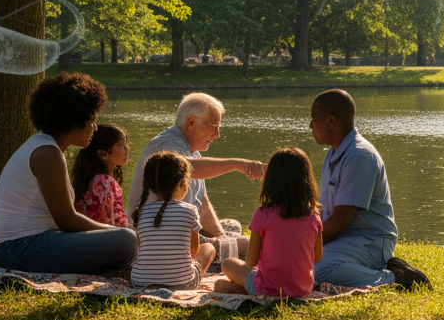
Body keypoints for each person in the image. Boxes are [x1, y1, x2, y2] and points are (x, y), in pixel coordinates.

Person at [0, 73, 137, 275]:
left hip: (25, 244)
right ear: (73, 121)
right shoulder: (47, 154)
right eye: (91, 120)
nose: (94, 128)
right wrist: (119, 233)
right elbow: (67, 220)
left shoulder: (46, 147)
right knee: (127, 241)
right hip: (16, 249)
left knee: (125, 239)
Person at [309, 89, 430, 289]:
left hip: (369, 241)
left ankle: (397, 278)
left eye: (314, 119)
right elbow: (324, 211)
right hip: (345, 239)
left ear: (331, 121)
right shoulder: (333, 153)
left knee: (319, 269)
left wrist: (303, 244)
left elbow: (339, 223)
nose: (311, 126)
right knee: (301, 265)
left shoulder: (359, 156)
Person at [127, 93, 264, 264]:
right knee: (247, 245)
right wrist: (237, 164)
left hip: (182, 230)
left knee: (233, 226)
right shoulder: (167, 146)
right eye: (213, 126)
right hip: (160, 238)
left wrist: (221, 236)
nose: (218, 134)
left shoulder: (191, 150)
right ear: (191, 122)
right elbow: (186, 167)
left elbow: (202, 203)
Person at [217, 147, 324, 298]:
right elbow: (317, 257)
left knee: (228, 263)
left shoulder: (263, 214)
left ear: (271, 180)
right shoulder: (313, 216)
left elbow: (250, 261)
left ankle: (241, 288)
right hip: (302, 290)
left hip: (268, 289)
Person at [130, 152, 216, 289]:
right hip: (183, 283)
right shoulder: (190, 211)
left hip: (140, 281)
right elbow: (193, 251)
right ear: (181, 184)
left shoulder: (140, 213)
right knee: (208, 248)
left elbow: (142, 248)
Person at [72, 124, 130, 227]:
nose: (127, 149)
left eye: (126, 144)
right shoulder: (103, 182)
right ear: (103, 154)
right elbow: (112, 221)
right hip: (104, 238)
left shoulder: (92, 179)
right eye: (121, 145)